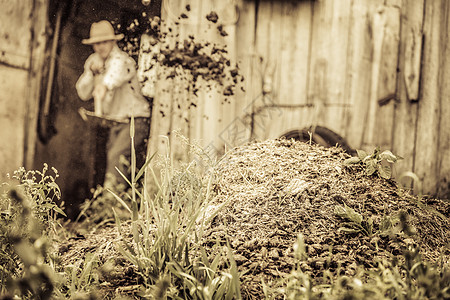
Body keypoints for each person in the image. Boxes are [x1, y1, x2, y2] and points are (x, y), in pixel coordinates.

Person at [76, 20, 151, 189]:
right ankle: (113, 202)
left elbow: (114, 76)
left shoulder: (122, 60)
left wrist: (104, 85)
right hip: (116, 122)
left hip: (135, 120)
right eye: (96, 43)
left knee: (116, 157)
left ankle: (111, 203)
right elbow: (83, 91)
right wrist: (91, 74)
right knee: (112, 159)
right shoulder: (93, 61)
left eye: (104, 42)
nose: (100, 47)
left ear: (113, 41)